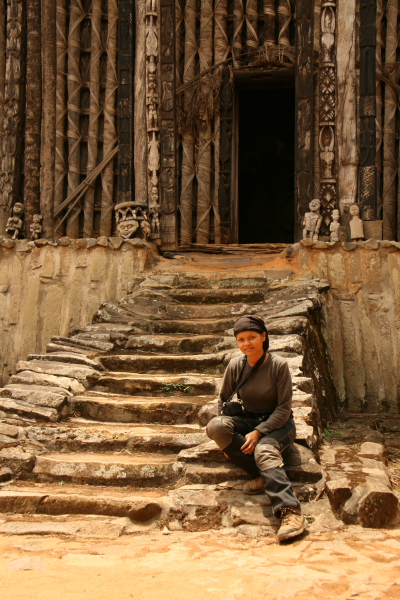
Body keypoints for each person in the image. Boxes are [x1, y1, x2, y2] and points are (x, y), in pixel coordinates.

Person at [206, 315, 305, 542]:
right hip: (248, 419)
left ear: (263, 337)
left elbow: (283, 409)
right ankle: (264, 474)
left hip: (279, 424)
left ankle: (290, 512)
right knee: (216, 427)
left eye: (252, 337)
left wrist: (260, 431)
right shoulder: (235, 365)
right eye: (241, 340)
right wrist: (228, 443)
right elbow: (223, 401)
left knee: (264, 450)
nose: (247, 343)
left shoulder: (278, 365)